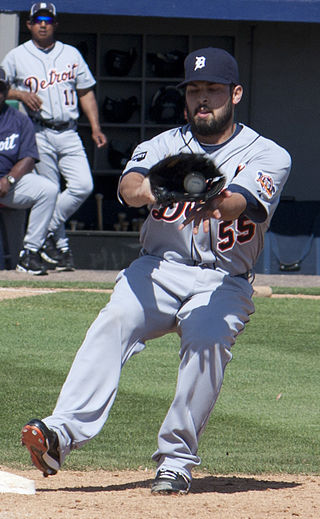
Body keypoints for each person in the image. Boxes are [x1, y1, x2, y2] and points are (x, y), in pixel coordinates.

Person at [21, 48, 291, 492]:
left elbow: (238, 204)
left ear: (236, 93)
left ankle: (177, 460)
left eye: (214, 90)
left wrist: (207, 191)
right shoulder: (163, 144)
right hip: (158, 269)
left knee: (207, 337)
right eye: (195, 90)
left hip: (223, 280)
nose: (203, 99)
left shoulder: (269, 154)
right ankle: (59, 433)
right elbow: (128, 189)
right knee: (114, 320)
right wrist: (153, 185)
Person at [1, 2, 107, 272]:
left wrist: (95, 126)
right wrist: (19, 94)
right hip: (38, 130)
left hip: (69, 129)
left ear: (55, 23)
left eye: (48, 19)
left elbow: (85, 91)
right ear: (29, 24)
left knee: (83, 185)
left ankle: (44, 231)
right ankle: (56, 246)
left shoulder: (70, 54)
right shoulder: (16, 56)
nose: (43, 24)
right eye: (37, 20)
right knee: (49, 189)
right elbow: (2, 87)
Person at [0, 66, 59, 275]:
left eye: (0, 88)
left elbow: (28, 157)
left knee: (49, 190)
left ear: (6, 91)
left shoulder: (19, 119)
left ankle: (30, 253)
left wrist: (9, 179)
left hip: (7, 184)